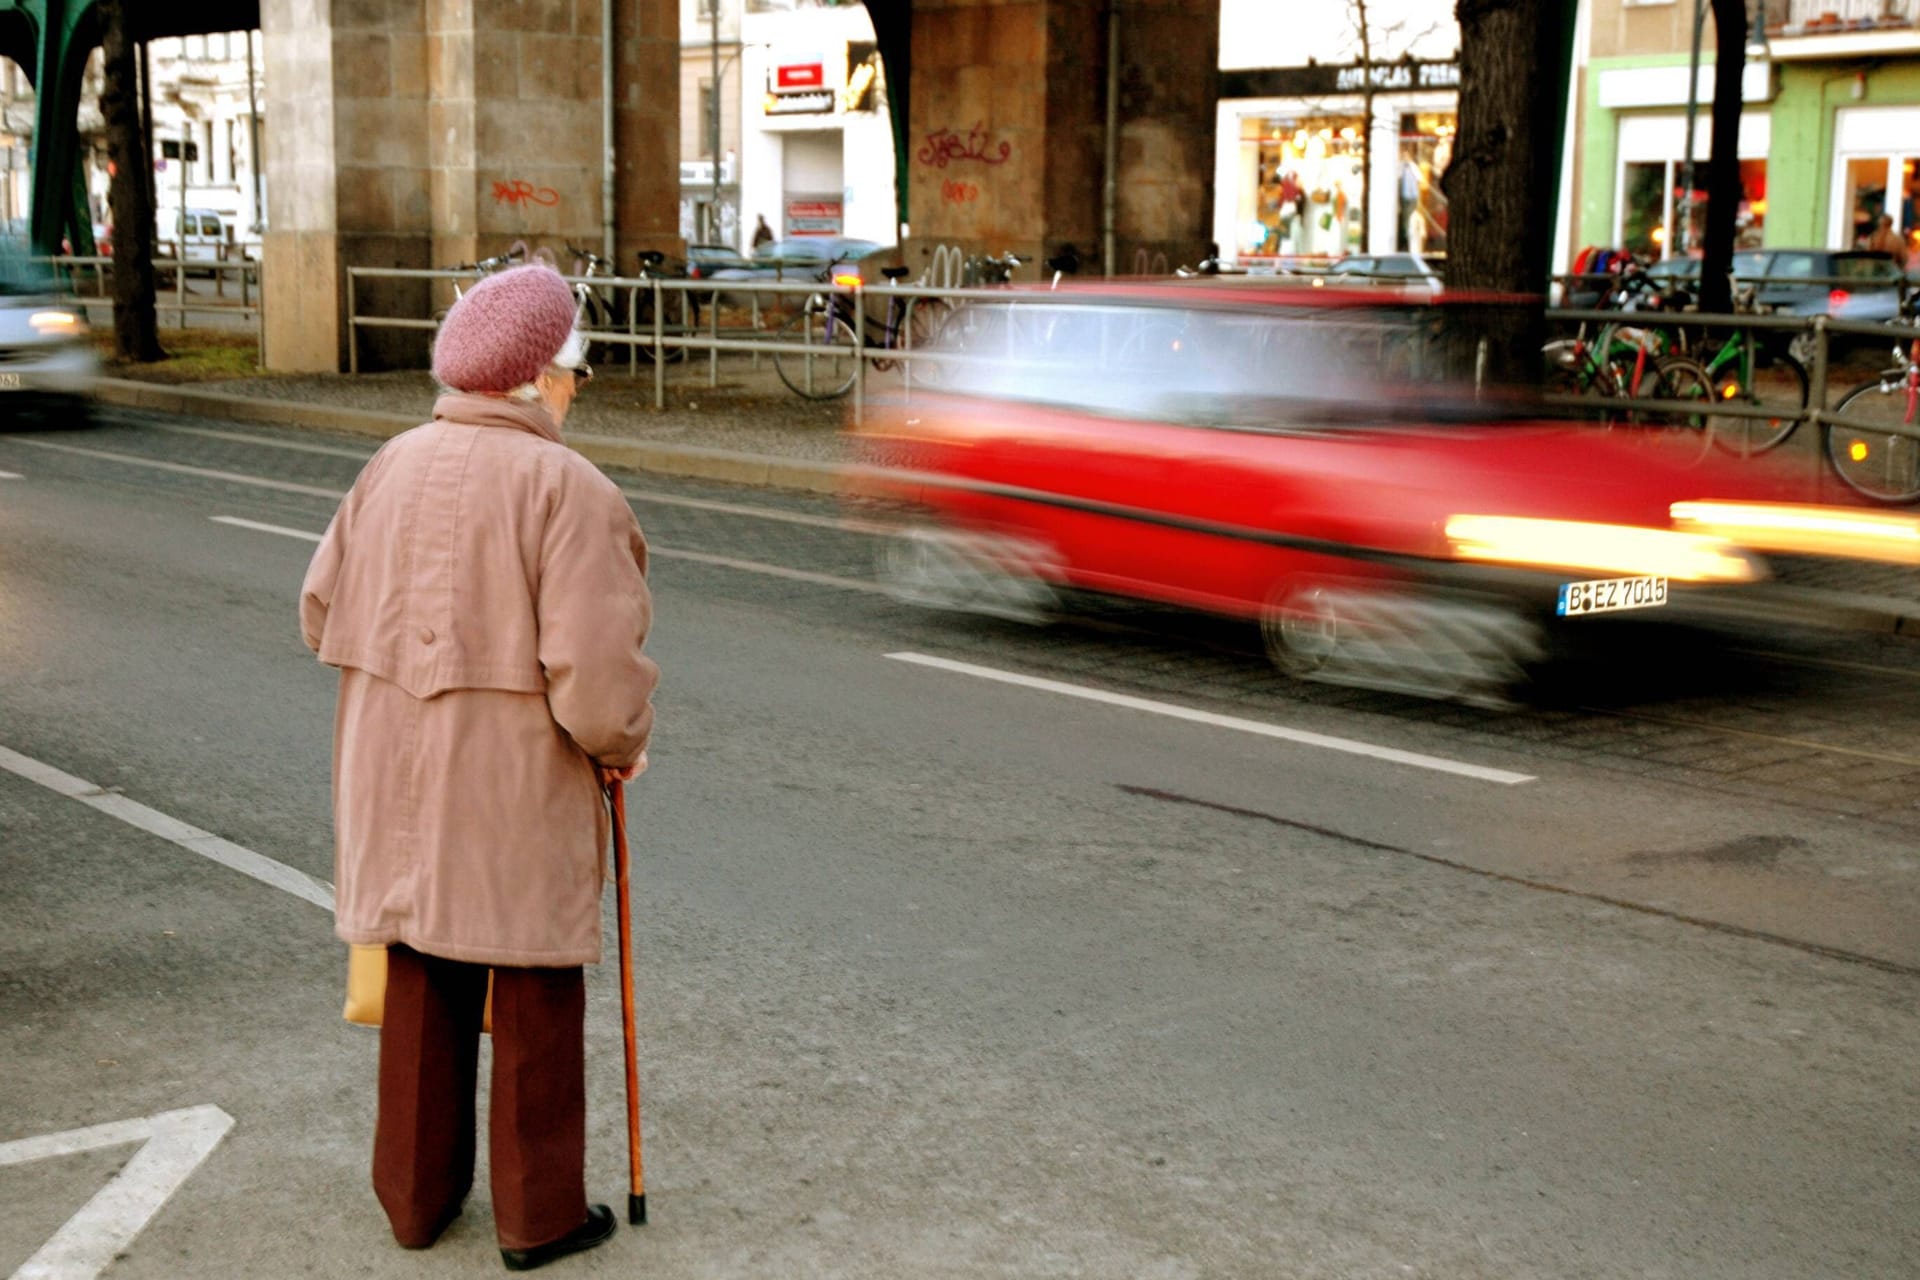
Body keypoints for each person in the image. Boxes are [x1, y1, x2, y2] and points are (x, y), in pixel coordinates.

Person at [300, 264, 658, 1272]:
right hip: (511, 782)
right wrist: (624, 744)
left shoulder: (391, 464)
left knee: (419, 965)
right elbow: (594, 678)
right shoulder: (569, 489)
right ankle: (536, 1214)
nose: (574, 391)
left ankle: (414, 1197)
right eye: (573, 374)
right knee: (537, 981)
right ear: (539, 377)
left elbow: (318, 609)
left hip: (393, 771)